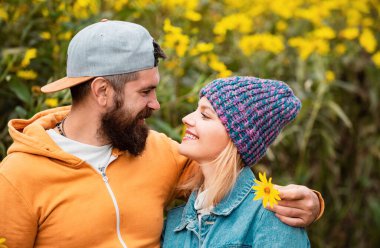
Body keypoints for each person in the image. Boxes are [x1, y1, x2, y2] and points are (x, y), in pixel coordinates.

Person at [0, 20, 323, 247]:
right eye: (145, 91)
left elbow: (228, 174)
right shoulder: (18, 177)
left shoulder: (159, 151)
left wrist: (310, 203)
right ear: (102, 92)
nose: (156, 104)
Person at [162, 76, 310, 247]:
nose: (187, 118)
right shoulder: (175, 223)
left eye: (204, 115)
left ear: (236, 138)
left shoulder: (273, 216)